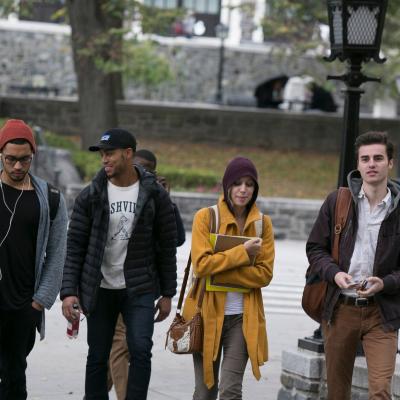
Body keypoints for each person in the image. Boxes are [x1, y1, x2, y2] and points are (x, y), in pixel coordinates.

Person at [60, 128, 178, 400]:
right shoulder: (91, 195)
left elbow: (167, 245)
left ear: (128, 154)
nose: (104, 160)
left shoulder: (154, 195)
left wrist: (168, 294)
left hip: (139, 287)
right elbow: (75, 245)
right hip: (100, 286)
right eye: (102, 154)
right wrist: (69, 292)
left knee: (140, 349)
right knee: (98, 353)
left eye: (110, 153)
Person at [306, 131, 400, 400]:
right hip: (340, 309)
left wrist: (386, 283)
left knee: (381, 391)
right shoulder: (338, 201)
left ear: (390, 163)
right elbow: (315, 248)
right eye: (365, 158)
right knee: (337, 392)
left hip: (382, 313)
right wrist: (334, 274)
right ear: (358, 165)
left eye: (378, 158)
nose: (372, 164)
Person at [182, 156, 275, 399]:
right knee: (205, 392)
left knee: (231, 391)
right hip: (206, 315)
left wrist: (220, 268)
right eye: (237, 183)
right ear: (227, 186)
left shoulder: (262, 224)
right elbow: (201, 266)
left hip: (243, 319)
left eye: (249, 184)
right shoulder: (206, 217)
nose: (243, 190)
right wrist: (242, 254)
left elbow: (264, 275)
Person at [105, 148, 186, 400]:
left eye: (149, 170)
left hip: (143, 286)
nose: (142, 173)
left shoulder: (157, 197)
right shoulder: (115, 191)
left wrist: (166, 200)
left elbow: (177, 239)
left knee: (125, 346)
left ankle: (96, 390)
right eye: (139, 167)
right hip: (114, 282)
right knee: (121, 344)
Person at [0, 119, 68, 400]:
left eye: (24, 160)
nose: (17, 166)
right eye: (11, 159)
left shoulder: (49, 198)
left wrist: (40, 300)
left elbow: (57, 251)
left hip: (24, 303)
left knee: (15, 373)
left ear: (33, 156)